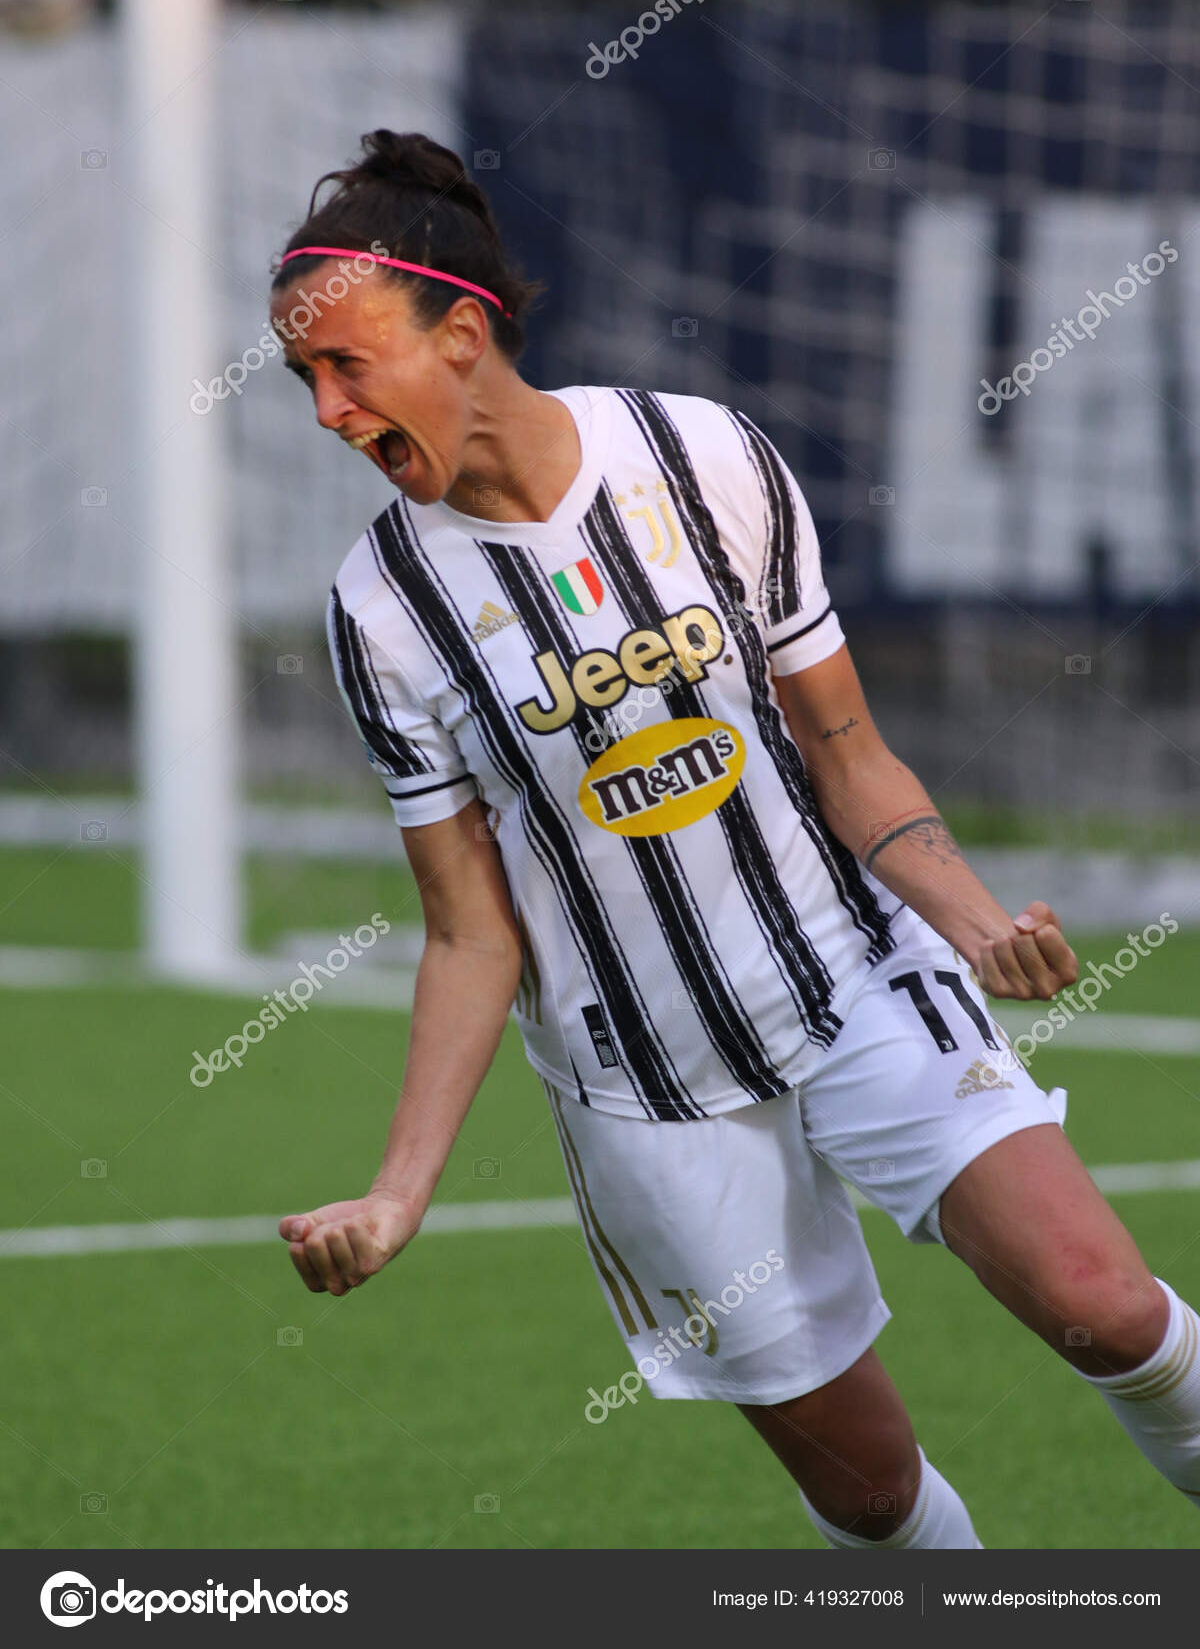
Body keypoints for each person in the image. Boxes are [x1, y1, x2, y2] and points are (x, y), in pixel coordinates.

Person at [272, 130, 1200, 1549]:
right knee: (872, 1490)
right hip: (648, 1082)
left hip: (853, 977)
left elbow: (846, 751)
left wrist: (972, 915)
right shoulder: (379, 611)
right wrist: (400, 1196)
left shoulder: (700, 455)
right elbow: (470, 930)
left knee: (1105, 1307)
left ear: (461, 332)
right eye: (306, 381)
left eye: (348, 367)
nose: (329, 411)